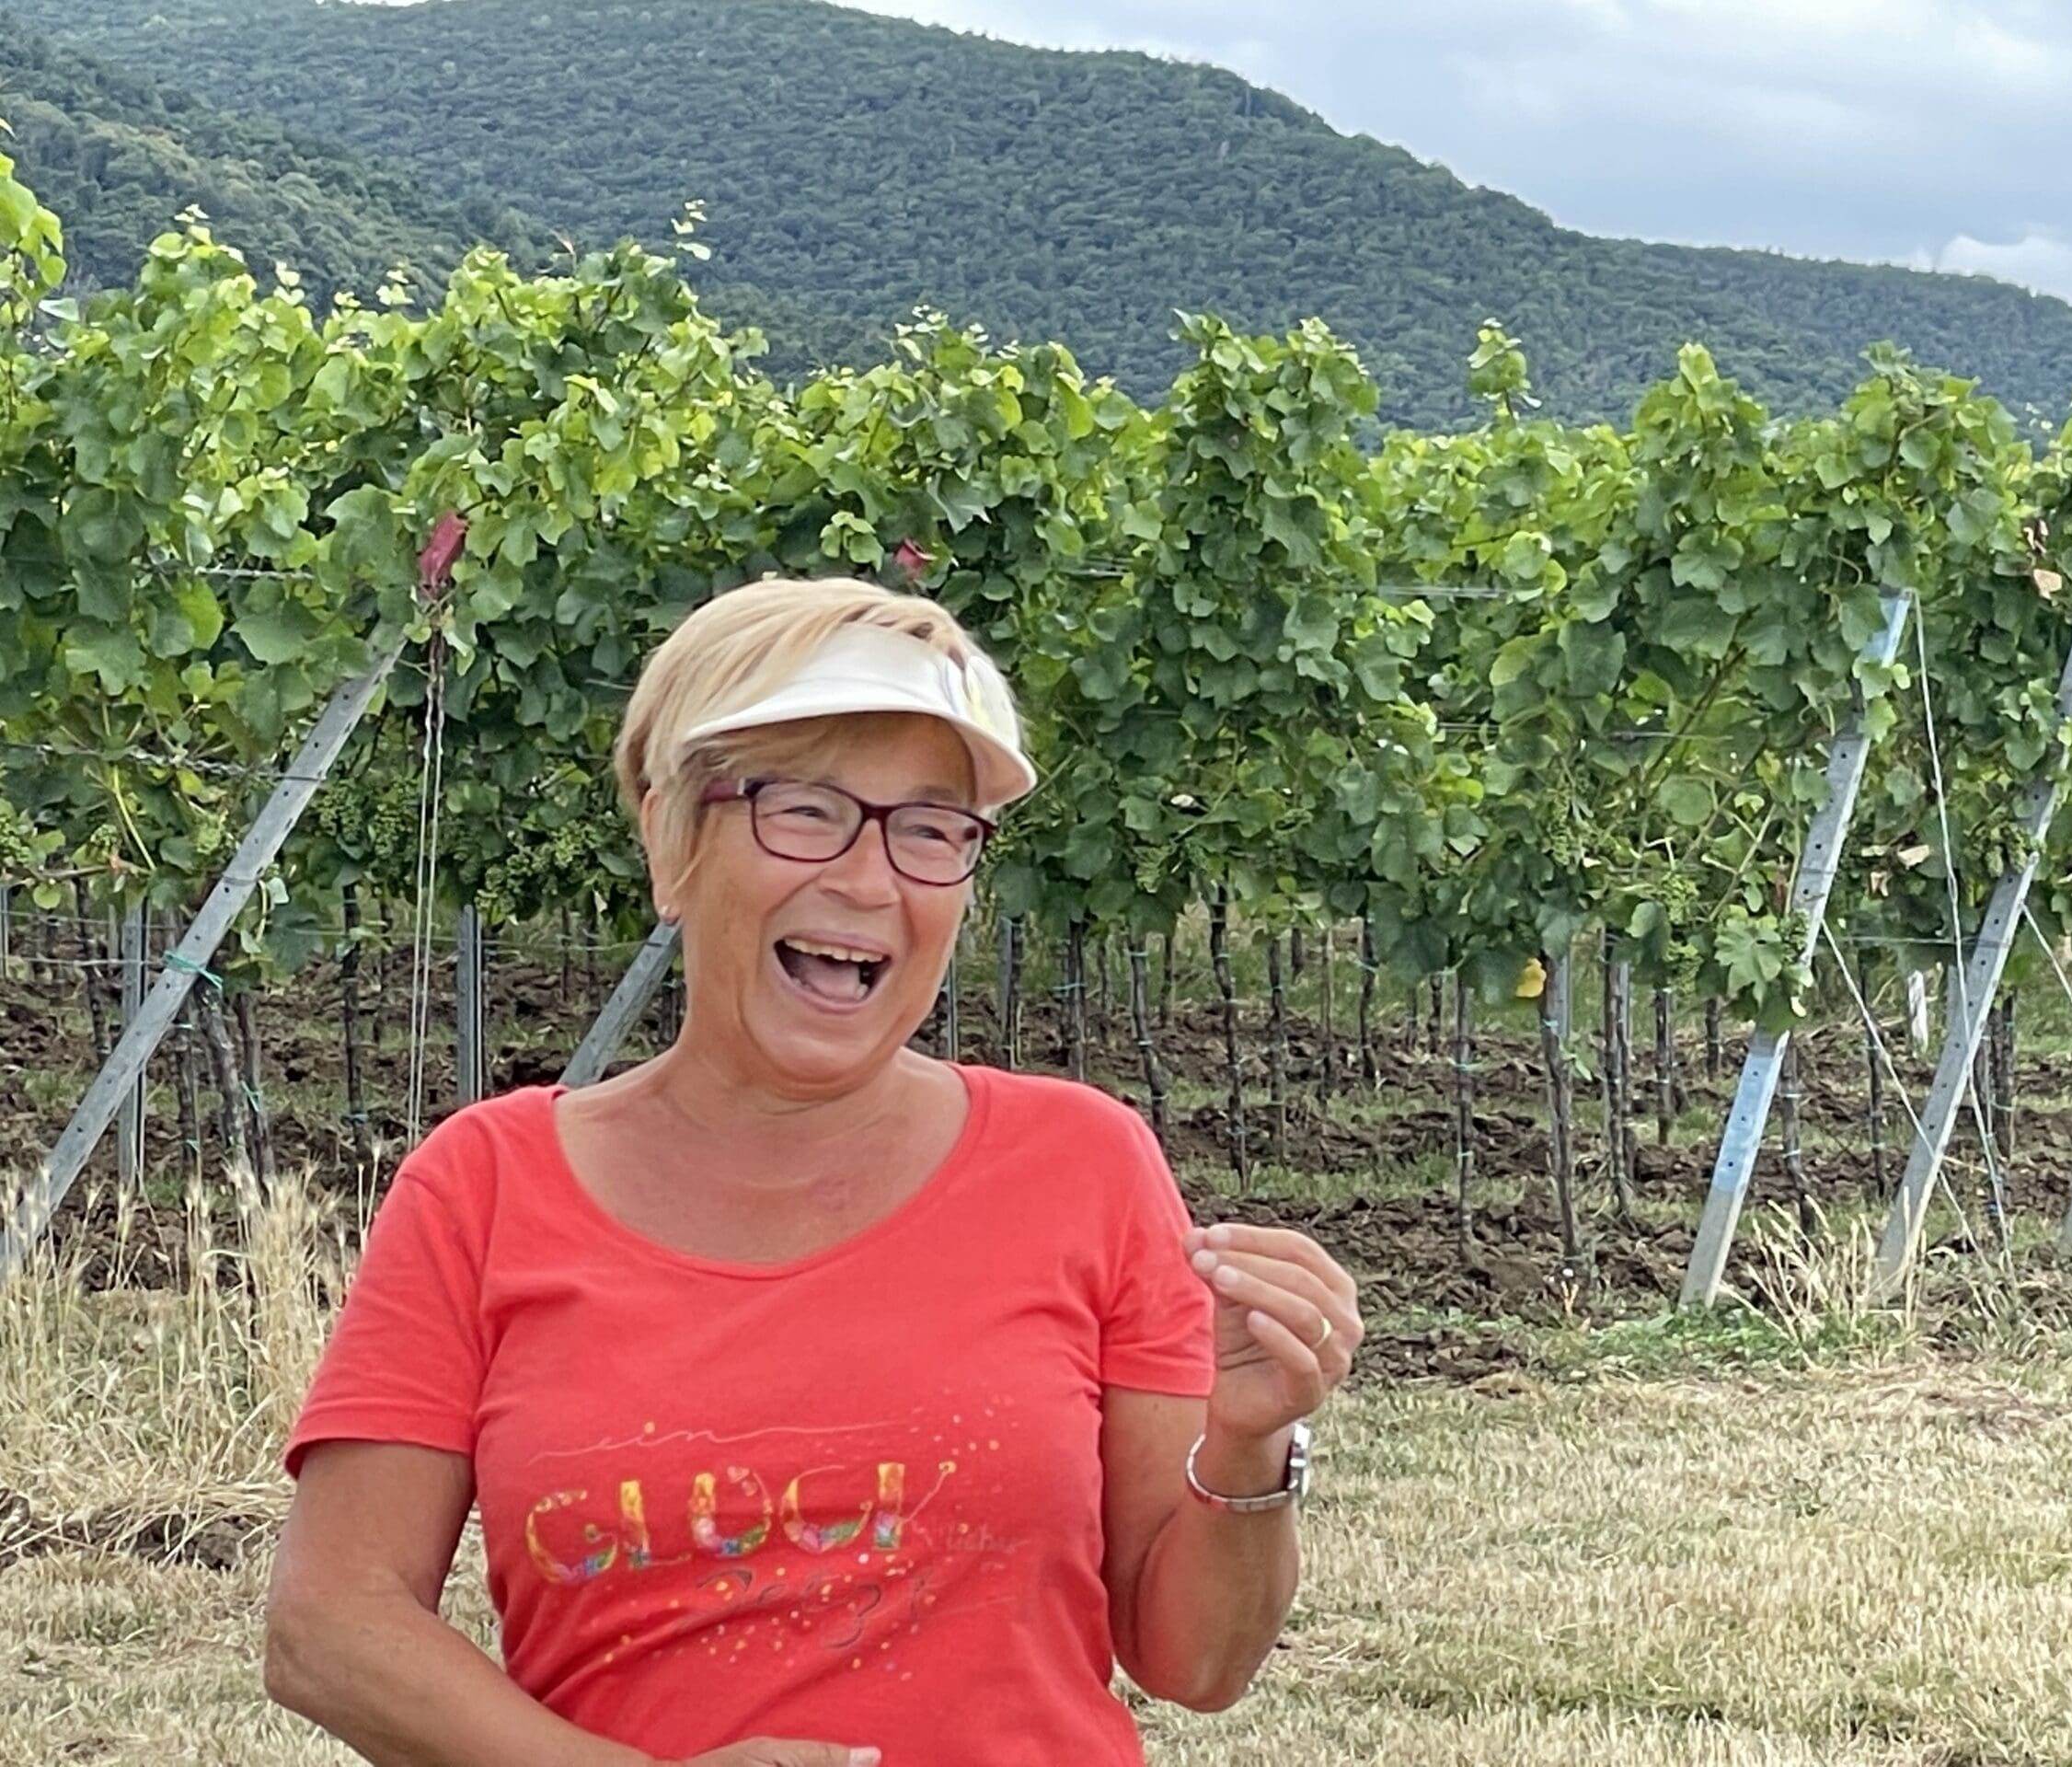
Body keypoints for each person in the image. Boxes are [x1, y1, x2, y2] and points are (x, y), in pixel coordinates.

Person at [262, 577, 1364, 1767]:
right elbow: (332, 1626)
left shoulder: (1086, 1166)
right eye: (804, 811)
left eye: (931, 830)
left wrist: (1249, 1450)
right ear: (670, 836)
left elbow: (1195, 1659)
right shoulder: (482, 1191)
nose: (870, 879)